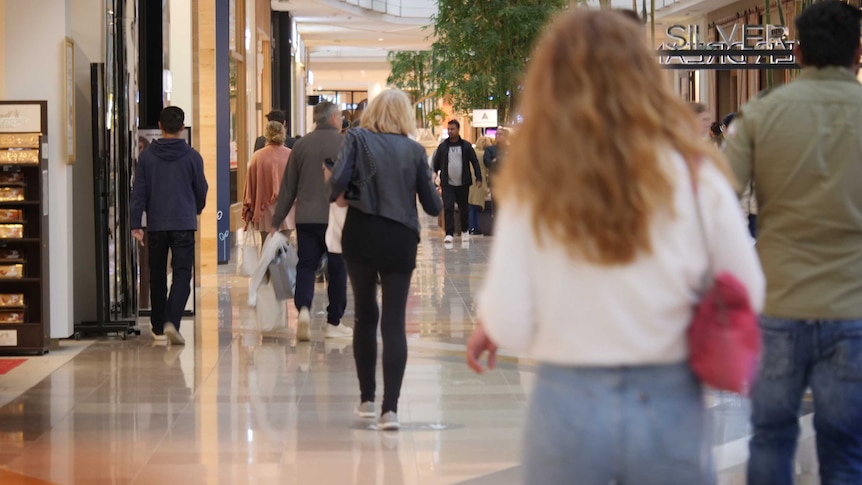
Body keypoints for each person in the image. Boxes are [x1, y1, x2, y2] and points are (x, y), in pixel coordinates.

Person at [466, 9, 764, 484]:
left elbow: (511, 322)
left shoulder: (536, 181)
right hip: (670, 396)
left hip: (567, 397)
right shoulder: (696, 174)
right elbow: (747, 287)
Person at [724, 2, 862, 483]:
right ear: (859, 53)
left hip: (779, 304)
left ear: (797, 51)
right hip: (853, 307)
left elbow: (719, 201)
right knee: (847, 449)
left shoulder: (762, 113)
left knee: (771, 437)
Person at [328, 88, 442, 431]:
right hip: (400, 238)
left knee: (365, 315)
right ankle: (390, 410)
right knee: (393, 323)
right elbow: (434, 207)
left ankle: (367, 399)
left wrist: (348, 192)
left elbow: (335, 187)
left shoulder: (357, 138)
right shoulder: (414, 150)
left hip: (361, 233)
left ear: (373, 111)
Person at [271, 101, 351, 342]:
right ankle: (333, 322)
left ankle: (304, 310)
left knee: (306, 265)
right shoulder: (345, 143)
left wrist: (277, 219)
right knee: (338, 269)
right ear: (334, 118)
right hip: (336, 219)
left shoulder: (301, 144)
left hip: (306, 218)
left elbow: (288, 187)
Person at [130, 106, 209, 345]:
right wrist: (195, 208)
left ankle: (157, 327)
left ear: (160, 126)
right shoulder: (193, 156)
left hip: (156, 224)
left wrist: (136, 223)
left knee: (156, 275)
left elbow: (138, 193)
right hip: (184, 222)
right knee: (183, 274)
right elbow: (202, 190)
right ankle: (172, 322)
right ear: (182, 128)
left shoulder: (147, 157)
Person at [432, 120, 482, 244]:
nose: (450, 131)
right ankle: (449, 233)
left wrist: (478, 177)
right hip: (447, 183)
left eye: (452, 129)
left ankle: (465, 230)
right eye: (448, 129)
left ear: (458, 130)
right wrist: (434, 177)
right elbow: (436, 163)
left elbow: (474, 161)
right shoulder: (443, 147)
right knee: (448, 207)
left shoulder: (466, 146)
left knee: (464, 208)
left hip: (463, 183)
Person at [242, 120, 292, 243]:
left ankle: (267, 262)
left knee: (266, 247)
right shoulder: (290, 155)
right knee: (285, 247)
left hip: (264, 209)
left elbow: (250, 184)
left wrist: (248, 208)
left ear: (266, 134)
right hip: (287, 209)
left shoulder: (258, 156)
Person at [468, 136, 492, 235]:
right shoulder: (484, 154)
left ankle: (472, 227)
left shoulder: (472, 152)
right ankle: (474, 227)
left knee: (471, 205)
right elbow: (488, 169)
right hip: (480, 182)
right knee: (476, 206)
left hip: (470, 181)